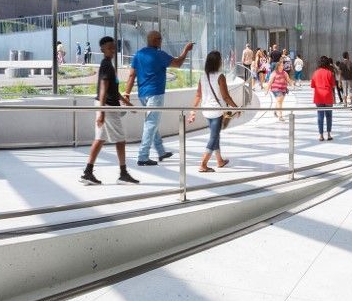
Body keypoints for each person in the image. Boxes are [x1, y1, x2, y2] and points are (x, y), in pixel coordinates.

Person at [123, 32, 193, 166]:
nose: (161, 41)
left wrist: (127, 93)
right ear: (156, 41)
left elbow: (132, 76)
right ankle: (143, 156)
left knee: (151, 122)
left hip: (142, 94)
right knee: (150, 124)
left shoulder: (138, 54)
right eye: (160, 39)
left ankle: (161, 152)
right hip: (155, 94)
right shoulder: (160, 55)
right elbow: (178, 63)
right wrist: (186, 50)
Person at [79, 36, 138, 186]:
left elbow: (114, 90)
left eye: (113, 47)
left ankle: (88, 172)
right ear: (102, 50)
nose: (112, 49)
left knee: (100, 139)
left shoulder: (108, 65)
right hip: (108, 107)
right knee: (120, 140)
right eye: (109, 47)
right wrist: (102, 112)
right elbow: (104, 89)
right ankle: (123, 174)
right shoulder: (106, 65)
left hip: (105, 105)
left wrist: (127, 103)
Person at [189, 51, 238, 173]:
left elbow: (198, 95)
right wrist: (236, 107)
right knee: (214, 136)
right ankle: (203, 164)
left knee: (215, 135)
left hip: (206, 110)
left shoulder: (203, 76)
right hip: (216, 111)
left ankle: (219, 161)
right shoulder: (220, 76)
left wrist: (192, 110)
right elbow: (226, 97)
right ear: (218, 62)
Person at [311, 56, 336, 141]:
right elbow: (333, 85)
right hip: (328, 96)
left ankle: (321, 135)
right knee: (329, 115)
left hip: (318, 96)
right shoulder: (330, 73)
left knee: (320, 116)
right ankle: (328, 134)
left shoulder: (315, 73)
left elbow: (312, 85)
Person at [267, 57, 291, 121]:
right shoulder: (274, 73)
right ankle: (280, 116)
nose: (283, 66)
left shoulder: (285, 73)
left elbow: (288, 79)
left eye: (283, 65)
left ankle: (275, 111)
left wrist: (292, 84)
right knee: (279, 101)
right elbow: (270, 82)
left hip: (283, 89)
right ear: (278, 66)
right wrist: (266, 90)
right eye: (281, 65)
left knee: (279, 101)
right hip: (276, 89)